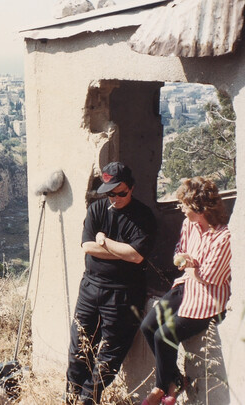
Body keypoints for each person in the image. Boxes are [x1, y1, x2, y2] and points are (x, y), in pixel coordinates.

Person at [65, 162, 157, 405]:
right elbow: (87, 246)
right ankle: (72, 397)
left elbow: (137, 255)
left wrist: (104, 242)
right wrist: (121, 249)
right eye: (110, 193)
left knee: (109, 354)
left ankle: (89, 397)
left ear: (132, 188)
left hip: (123, 294)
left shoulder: (143, 217)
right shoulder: (97, 209)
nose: (115, 198)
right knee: (79, 348)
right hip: (90, 288)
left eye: (121, 192)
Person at [140, 177, 231, 405]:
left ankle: (162, 388)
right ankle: (176, 380)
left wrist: (191, 267)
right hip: (186, 287)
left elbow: (210, 277)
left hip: (208, 300)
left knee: (164, 335)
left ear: (200, 208)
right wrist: (186, 263)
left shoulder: (223, 237)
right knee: (148, 326)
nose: (181, 208)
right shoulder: (189, 225)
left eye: (185, 205)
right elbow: (180, 252)